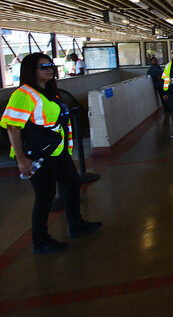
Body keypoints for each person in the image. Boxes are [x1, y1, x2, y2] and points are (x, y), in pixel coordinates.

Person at [0, 53, 102, 254]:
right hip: (39, 155)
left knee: (72, 184)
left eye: (51, 65)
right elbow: (12, 127)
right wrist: (21, 159)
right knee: (45, 197)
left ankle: (76, 224)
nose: (49, 69)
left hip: (58, 152)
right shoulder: (24, 94)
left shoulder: (48, 92)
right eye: (43, 66)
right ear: (31, 71)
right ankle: (40, 241)